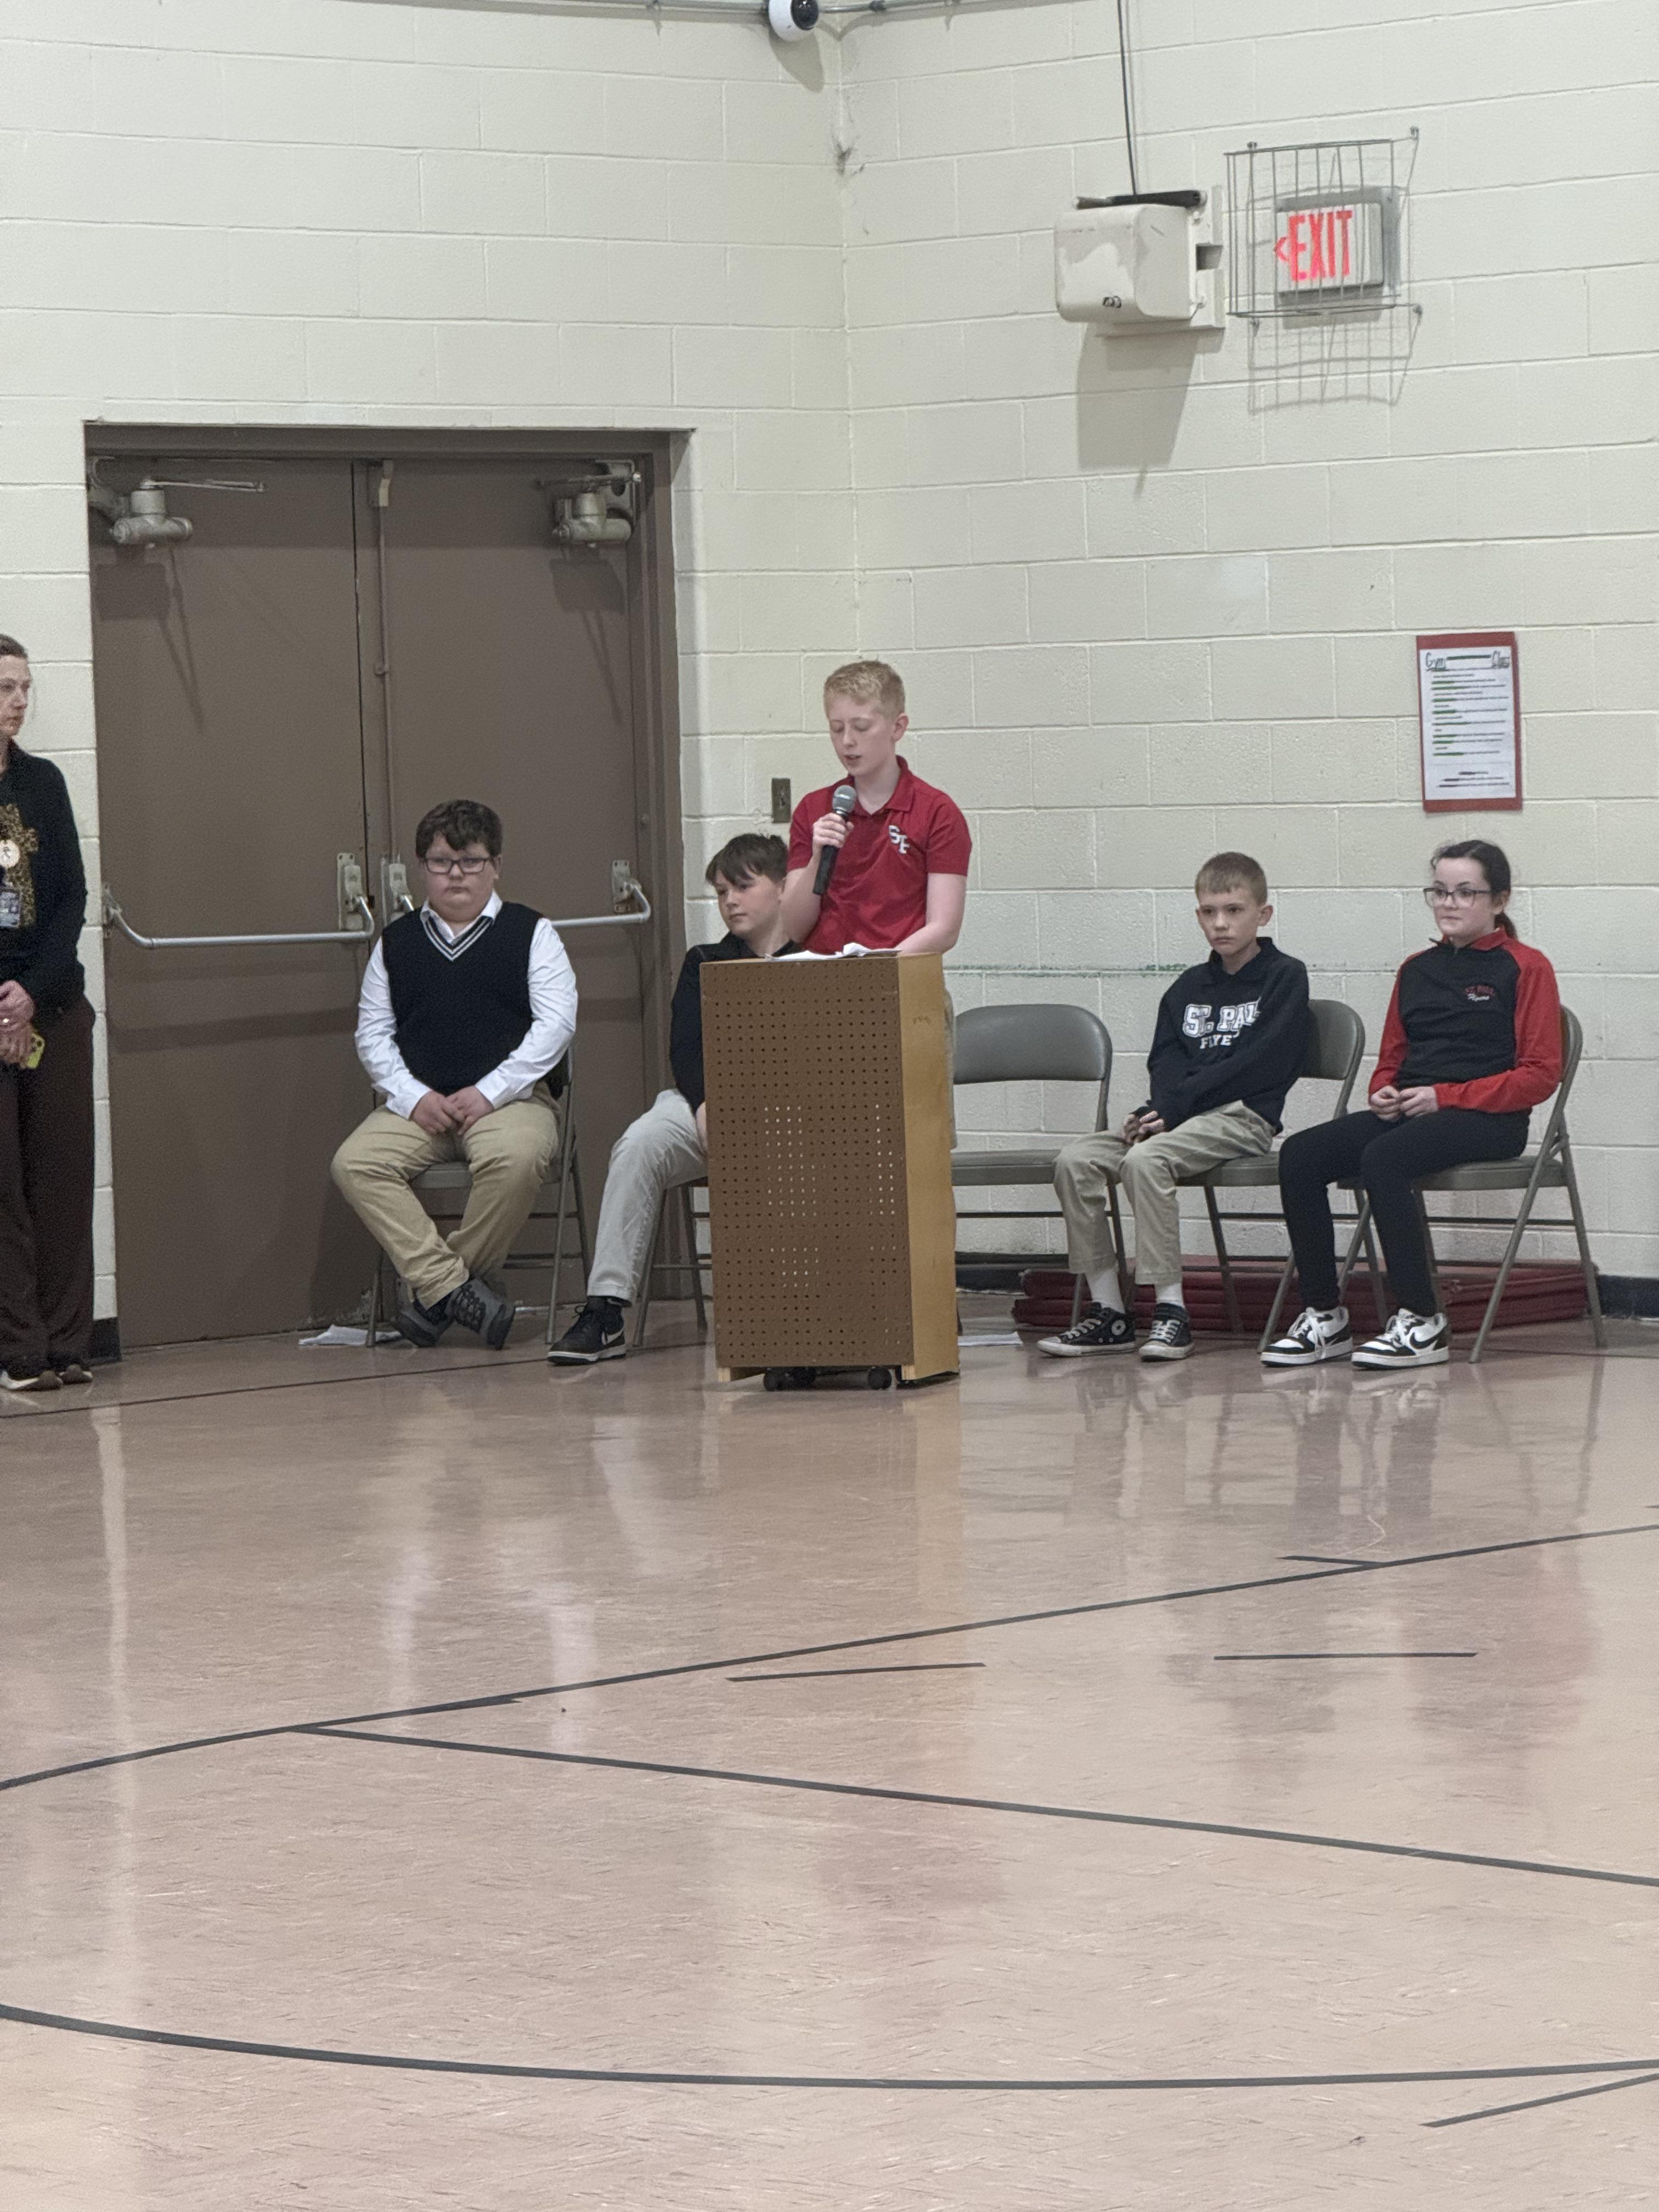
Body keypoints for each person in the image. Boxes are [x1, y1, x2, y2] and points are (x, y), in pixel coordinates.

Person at [1264, 839, 1560, 1373]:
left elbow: (1539, 1076)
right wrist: (1382, 1090)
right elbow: (1393, 1059)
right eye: (1440, 892)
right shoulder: (1416, 969)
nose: (1449, 903)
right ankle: (1324, 1316)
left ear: (1500, 900)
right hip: (1415, 1110)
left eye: (1466, 892)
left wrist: (1446, 1096)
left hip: (1489, 1119)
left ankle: (1423, 1320)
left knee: (1385, 1159)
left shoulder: (1527, 967)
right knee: (1301, 1155)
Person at [1041, 852, 1310, 1364]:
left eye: (1234, 910)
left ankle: (1171, 1312)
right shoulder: (1187, 987)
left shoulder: (1284, 977)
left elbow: (1261, 1062)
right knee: (1075, 1160)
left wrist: (1177, 1107)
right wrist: (1157, 1111)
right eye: (1209, 912)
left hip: (1243, 1117)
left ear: (1263, 914)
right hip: (1180, 1118)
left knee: (1147, 1160)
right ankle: (1110, 1312)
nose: (1220, 923)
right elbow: (1165, 1062)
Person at [331, 798, 576, 1351]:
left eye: (471, 861)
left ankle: (436, 1295)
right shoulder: (396, 943)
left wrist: (490, 1092)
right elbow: (372, 1034)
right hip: (421, 1107)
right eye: (442, 862)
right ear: (423, 868)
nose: (456, 875)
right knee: (355, 1163)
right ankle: (454, 1289)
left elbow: (556, 1025)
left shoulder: (532, 933)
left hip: (512, 1102)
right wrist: (413, 1097)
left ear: (496, 865)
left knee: (516, 1159)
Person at [549, 834, 796, 1364]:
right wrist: (705, 1104)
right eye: (722, 891)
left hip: (786, 1115)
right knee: (640, 1143)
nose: (731, 901)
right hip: (705, 1104)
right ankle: (605, 1309)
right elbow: (686, 1047)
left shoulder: (814, 960)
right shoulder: (703, 960)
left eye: (743, 887)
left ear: (782, 887)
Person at [0, 635, 97, 1392]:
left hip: (51, 1002)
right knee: (4, 1186)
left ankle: (68, 1342)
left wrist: (31, 993)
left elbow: (70, 897)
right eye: (6, 687)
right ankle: (19, 1349)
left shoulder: (43, 783)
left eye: (26, 687)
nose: (19, 701)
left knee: (61, 1175)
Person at [780, 660, 970, 959]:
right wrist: (817, 859)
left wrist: (878, 968)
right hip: (826, 977)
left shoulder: (937, 812)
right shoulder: (814, 808)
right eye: (836, 729)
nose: (847, 741)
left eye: (861, 727)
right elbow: (794, 928)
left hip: (900, 974)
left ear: (898, 727)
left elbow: (944, 928)